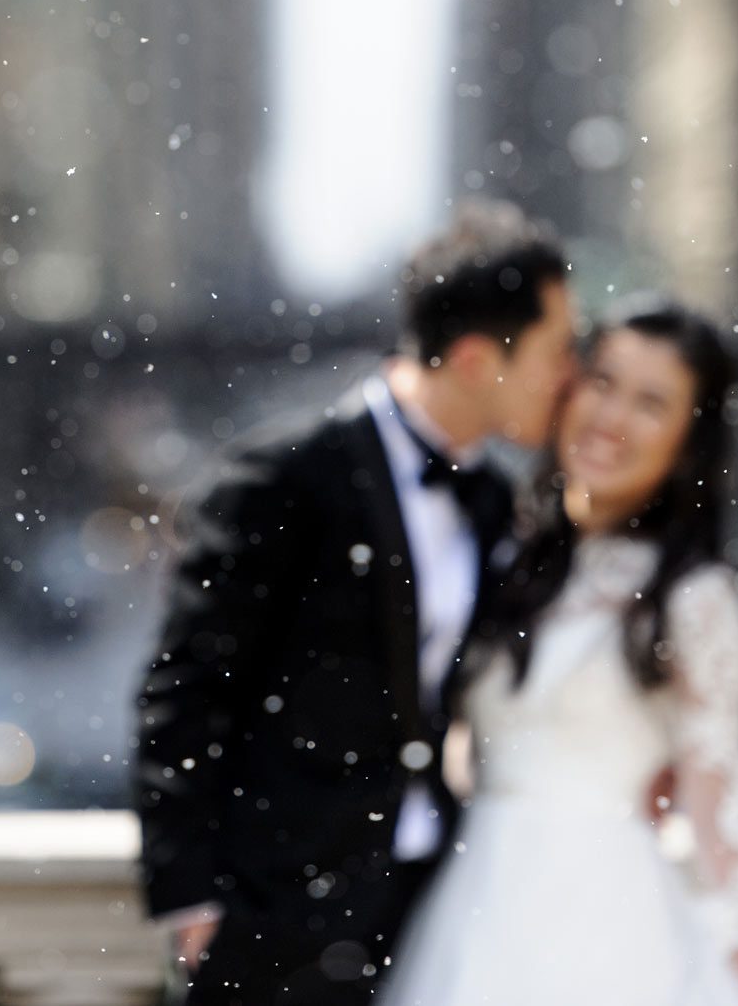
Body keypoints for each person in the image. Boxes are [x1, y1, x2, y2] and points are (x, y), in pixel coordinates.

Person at [132, 200, 580, 1006]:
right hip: (279, 911)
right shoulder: (283, 478)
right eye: (556, 351)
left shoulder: (492, 501)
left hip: (429, 901)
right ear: (478, 360)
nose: (569, 376)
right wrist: (191, 895)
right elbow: (186, 691)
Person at [383, 299, 738, 1005]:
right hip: (469, 907)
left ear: (689, 441)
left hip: (606, 921)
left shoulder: (695, 599)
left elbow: (719, 806)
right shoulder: (508, 555)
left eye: (651, 403)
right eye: (601, 382)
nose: (610, 418)